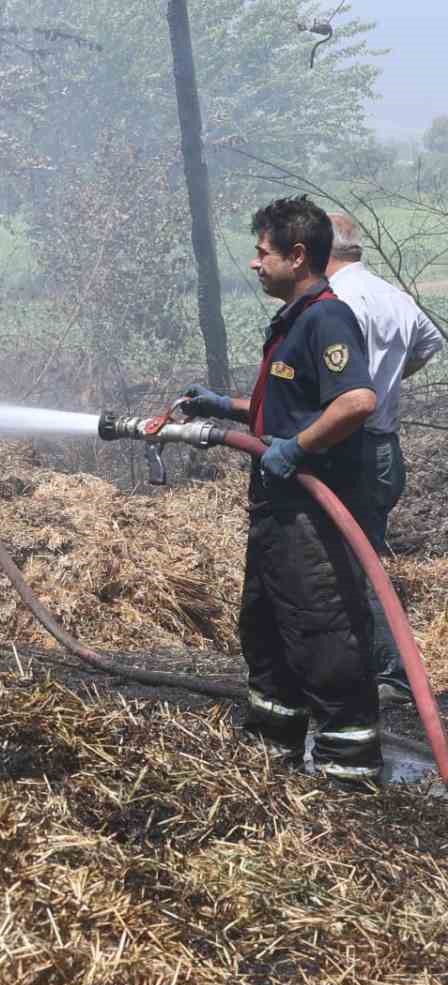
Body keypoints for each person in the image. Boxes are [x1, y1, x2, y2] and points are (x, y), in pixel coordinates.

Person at [179, 196, 380, 786]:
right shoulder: (293, 321)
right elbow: (292, 406)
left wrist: (299, 448)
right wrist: (230, 408)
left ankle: (349, 769)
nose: (253, 263)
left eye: (262, 252)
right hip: (279, 512)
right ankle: (272, 748)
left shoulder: (326, 317)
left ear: (297, 256)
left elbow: (356, 401)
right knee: (266, 626)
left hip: (313, 515)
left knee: (323, 630)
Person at [325, 211, 444, 707]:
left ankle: (391, 672)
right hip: (383, 449)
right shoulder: (396, 298)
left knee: (355, 560)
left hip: (348, 448)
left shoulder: (334, 304)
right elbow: (430, 345)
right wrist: (387, 380)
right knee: (359, 554)